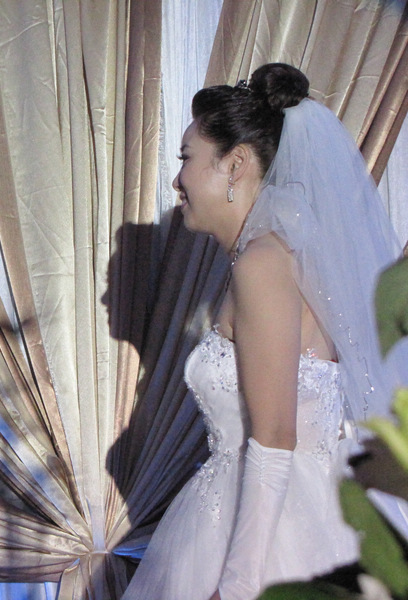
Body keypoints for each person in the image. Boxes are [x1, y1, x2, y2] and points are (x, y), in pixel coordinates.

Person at [121, 63, 405, 599]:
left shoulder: (264, 262)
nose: (177, 180)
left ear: (235, 164)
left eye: (186, 158)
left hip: (272, 536)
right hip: (252, 513)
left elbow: (274, 437)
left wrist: (237, 586)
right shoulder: (271, 254)